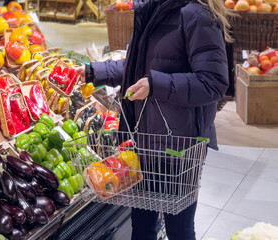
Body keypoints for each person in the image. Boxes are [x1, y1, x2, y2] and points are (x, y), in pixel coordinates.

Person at [77, 0, 230, 238]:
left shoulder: (196, 15)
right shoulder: (153, 9)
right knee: (142, 225)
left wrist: (156, 84)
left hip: (181, 147)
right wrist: (93, 72)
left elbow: (213, 82)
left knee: (179, 229)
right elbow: (138, 68)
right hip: (146, 140)